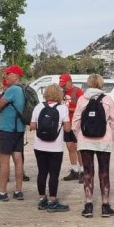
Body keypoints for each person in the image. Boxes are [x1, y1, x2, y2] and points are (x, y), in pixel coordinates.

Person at [72, 74, 114, 218]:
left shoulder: (82, 99)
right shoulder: (107, 99)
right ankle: (105, 205)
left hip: (85, 140)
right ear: (101, 84)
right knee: (104, 172)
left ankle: (88, 205)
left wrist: (79, 136)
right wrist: (111, 136)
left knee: (88, 172)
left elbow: (75, 122)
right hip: (103, 140)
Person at [30, 84, 71, 212]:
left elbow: (32, 126)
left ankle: (42, 199)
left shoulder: (39, 107)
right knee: (54, 173)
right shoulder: (62, 108)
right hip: (55, 147)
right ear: (59, 95)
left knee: (42, 172)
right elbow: (67, 128)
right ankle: (52, 201)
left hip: (39, 146)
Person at [0, 65, 26, 202]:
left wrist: (2, 98)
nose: (6, 76)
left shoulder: (13, 89)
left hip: (8, 129)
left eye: (8, 74)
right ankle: (18, 190)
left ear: (15, 76)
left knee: (4, 159)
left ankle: (2, 191)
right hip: (19, 129)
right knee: (18, 159)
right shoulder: (23, 89)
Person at [59, 73, 86, 183]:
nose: (63, 86)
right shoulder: (62, 93)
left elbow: (83, 109)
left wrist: (67, 109)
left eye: (64, 84)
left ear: (70, 81)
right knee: (70, 147)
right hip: (66, 125)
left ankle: (83, 171)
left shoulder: (78, 92)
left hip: (76, 124)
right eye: (61, 84)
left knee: (78, 148)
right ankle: (74, 170)